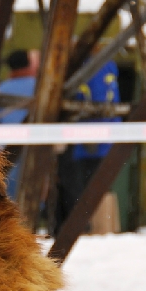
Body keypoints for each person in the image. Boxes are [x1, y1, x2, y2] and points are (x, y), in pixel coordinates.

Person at [54, 55, 122, 236]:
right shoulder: (107, 64)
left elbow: (99, 101)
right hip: (103, 137)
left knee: (80, 189)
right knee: (99, 186)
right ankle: (101, 228)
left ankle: (86, 229)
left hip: (86, 142)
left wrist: (92, 133)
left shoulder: (89, 66)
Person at [0, 49, 40, 198]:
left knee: (11, 189)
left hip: (9, 147)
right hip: (35, 145)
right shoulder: (37, 86)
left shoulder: (2, 88)